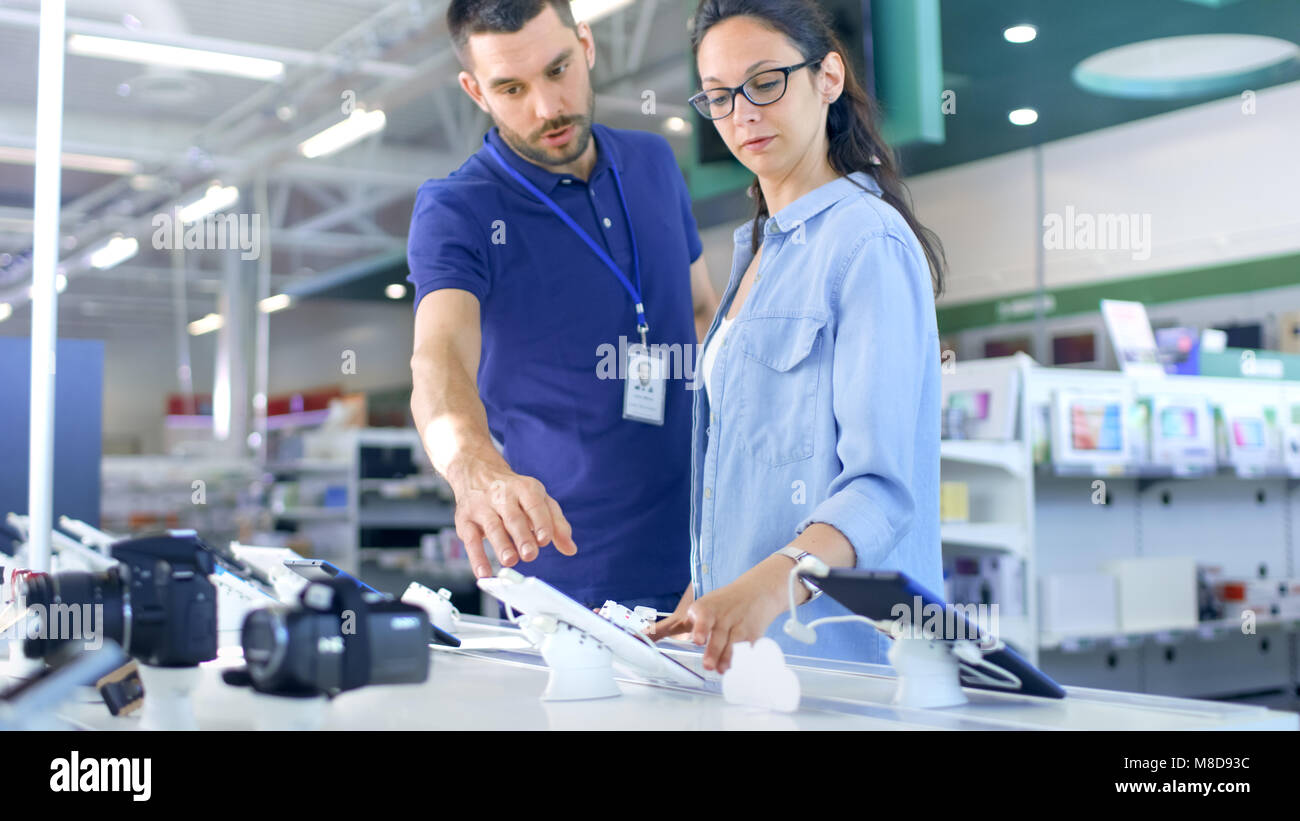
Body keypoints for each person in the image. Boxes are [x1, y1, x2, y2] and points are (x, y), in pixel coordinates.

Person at [648, 0, 947, 672]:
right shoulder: (757, 250)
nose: (742, 114)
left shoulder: (867, 242)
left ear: (828, 77)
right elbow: (758, 471)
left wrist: (766, 585)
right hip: (759, 667)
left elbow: (882, 489)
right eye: (719, 97)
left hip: (851, 665)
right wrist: (710, 592)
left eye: (765, 82)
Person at [407, 0, 720, 612]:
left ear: (586, 45)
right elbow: (438, 355)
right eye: (511, 88)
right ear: (475, 91)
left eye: (557, 70)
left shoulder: (654, 162)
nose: (547, 108)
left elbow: (702, 311)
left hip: (708, 553)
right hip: (569, 577)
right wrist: (472, 464)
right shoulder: (458, 209)